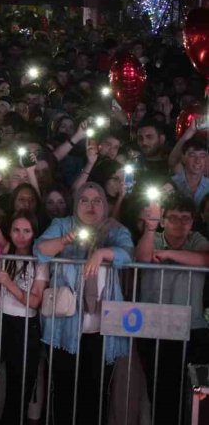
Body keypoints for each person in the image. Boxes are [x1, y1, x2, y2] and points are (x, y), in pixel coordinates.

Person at [34, 182, 134, 425]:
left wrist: (102, 253)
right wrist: (64, 241)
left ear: (105, 204)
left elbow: (129, 254)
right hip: (65, 324)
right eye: (85, 200)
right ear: (76, 203)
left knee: (97, 390)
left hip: (102, 325)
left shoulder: (114, 229)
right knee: (64, 389)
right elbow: (40, 250)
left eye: (97, 200)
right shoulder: (63, 225)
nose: (91, 205)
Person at [0, 171, 48, 425]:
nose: (21, 235)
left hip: (25, 325)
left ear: (34, 232)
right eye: (16, 229)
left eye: (26, 230)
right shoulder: (5, 248)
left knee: (20, 380)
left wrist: (9, 284)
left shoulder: (41, 262)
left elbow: (35, 301)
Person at [134, 192, 209, 425]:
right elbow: (143, 257)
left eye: (185, 218)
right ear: (163, 221)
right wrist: (149, 228)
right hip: (155, 326)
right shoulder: (153, 237)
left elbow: (205, 259)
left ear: (192, 222)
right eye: (173, 218)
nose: (179, 223)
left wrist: (168, 254)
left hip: (192, 327)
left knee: (195, 390)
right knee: (158, 388)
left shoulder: (197, 239)